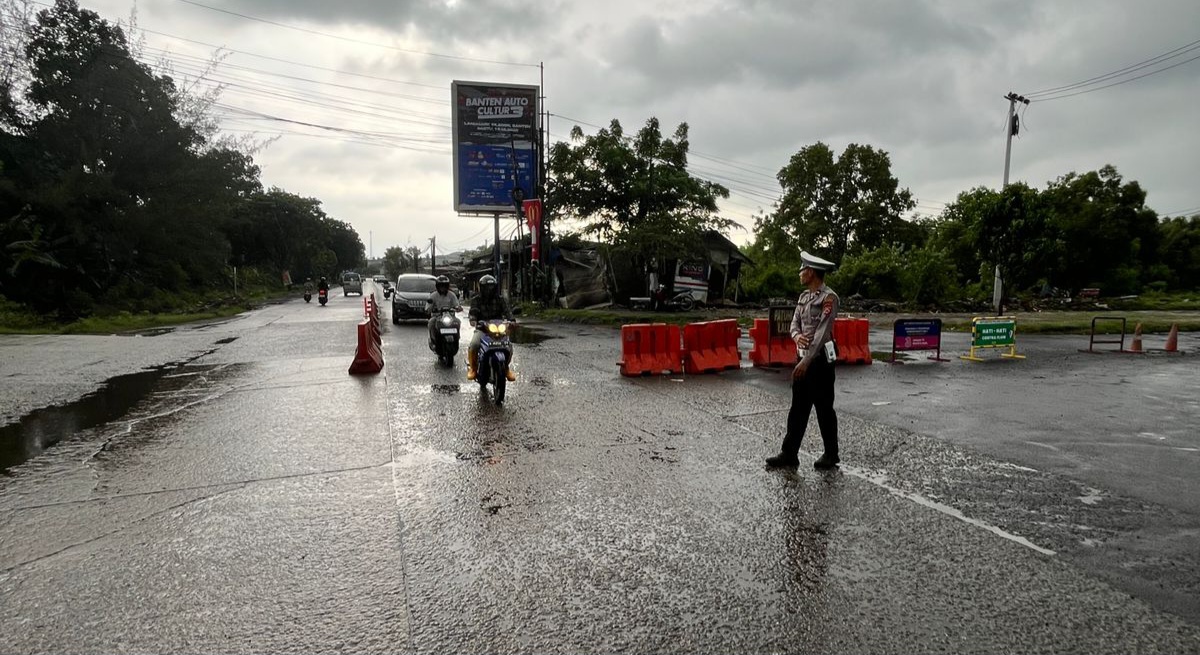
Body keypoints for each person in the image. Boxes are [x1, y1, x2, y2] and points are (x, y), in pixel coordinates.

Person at [766, 251, 841, 470]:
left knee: (824, 408)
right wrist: (797, 336)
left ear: (811, 272)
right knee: (798, 408)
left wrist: (806, 361)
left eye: (802, 270)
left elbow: (822, 333)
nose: (799, 273)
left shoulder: (829, 298)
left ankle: (831, 454)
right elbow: (794, 323)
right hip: (802, 358)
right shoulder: (803, 297)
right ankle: (789, 453)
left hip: (819, 361)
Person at [467, 274, 516, 382]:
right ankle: (473, 368)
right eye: (487, 287)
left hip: (499, 328)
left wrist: (512, 320)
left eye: (491, 287)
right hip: (482, 329)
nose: (489, 289)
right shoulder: (476, 300)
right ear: (482, 288)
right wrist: (473, 319)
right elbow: (473, 312)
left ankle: (506, 368)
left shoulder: (500, 299)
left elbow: (507, 311)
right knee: (474, 344)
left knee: (508, 346)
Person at [426, 275, 462, 346]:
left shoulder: (452, 295)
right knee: (431, 323)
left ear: (447, 286)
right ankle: (433, 340)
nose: (443, 288)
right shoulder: (433, 295)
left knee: (458, 321)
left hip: (450, 317)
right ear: (437, 286)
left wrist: (458, 308)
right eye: (441, 286)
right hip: (436, 317)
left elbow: (456, 304)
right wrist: (429, 309)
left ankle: (456, 338)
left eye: (445, 286)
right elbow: (428, 307)